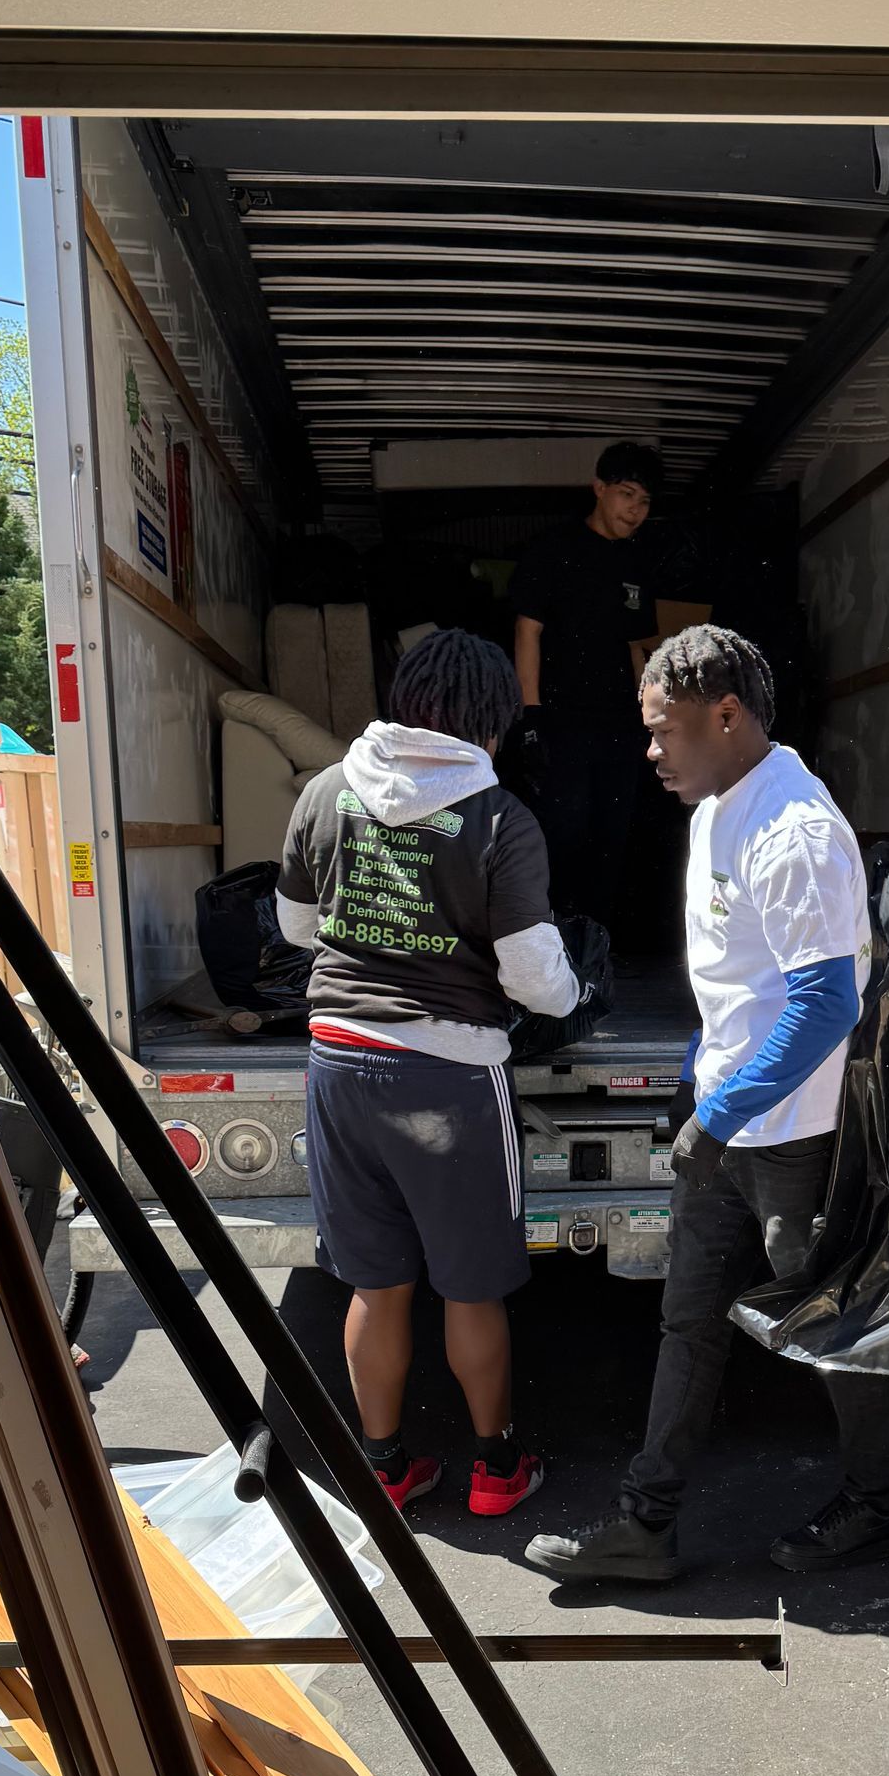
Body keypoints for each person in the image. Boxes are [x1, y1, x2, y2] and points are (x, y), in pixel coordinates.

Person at [524, 624, 889, 1585]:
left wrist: (720, 1114)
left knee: (821, 1324)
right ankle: (644, 1526)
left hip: (793, 1142)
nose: (650, 751)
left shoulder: (797, 835)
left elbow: (827, 1002)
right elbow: (741, 984)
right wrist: (707, 1076)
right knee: (687, 1321)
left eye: (666, 731)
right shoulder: (714, 810)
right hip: (734, 1118)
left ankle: (876, 1503)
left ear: (726, 717)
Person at [275, 627, 584, 1518]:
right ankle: (495, 1467)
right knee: (472, 1284)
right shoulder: (500, 819)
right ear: (491, 724)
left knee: (376, 1285)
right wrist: (571, 993)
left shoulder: (327, 793)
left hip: (339, 1063)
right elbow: (532, 976)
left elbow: (297, 927)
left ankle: (383, 1464)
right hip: (449, 1078)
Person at [509, 440, 663, 923]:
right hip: (561, 719)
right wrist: (530, 714)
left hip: (620, 724)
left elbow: (642, 649)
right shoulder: (554, 551)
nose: (635, 510)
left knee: (612, 835)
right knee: (564, 830)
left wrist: (653, 720)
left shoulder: (638, 563)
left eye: (644, 501)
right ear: (599, 489)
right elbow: (526, 632)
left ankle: (595, 943)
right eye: (626, 494)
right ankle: (549, 934)